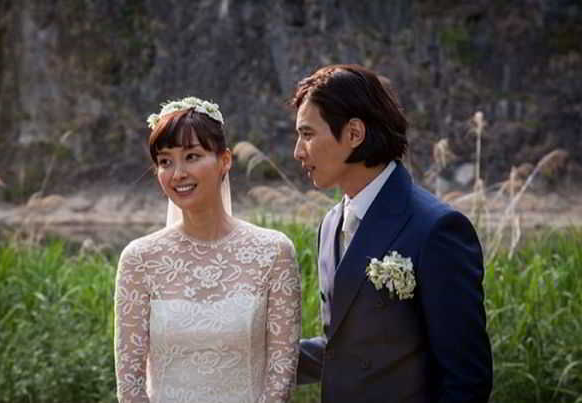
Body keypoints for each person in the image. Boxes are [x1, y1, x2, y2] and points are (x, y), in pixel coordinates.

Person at [292, 64, 493, 403]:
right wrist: (248, 353)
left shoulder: (437, 229)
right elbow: (344, 348)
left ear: (354, 133)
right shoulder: (330, 224)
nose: (298, 151)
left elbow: (467, 379)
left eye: (308, 134)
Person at [114, 97, 302, 402]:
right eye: (165, 161)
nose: (178, 173)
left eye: (192, 156)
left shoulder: (273, 252)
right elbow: (130, 384)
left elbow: (281, 375)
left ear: (224, 160)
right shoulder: (139, 259)